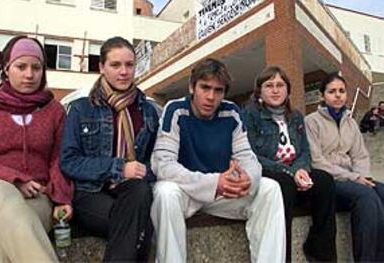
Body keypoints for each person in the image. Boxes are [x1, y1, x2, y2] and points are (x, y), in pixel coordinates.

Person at [151, 59, 286, 263]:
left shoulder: (231, 112)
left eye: (218, 90)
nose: (210, 97)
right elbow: (163, 164)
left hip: (222, 193)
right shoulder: (175, 110)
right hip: (188, 192)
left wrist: (247, 179)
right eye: (205, 88)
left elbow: (248, 158)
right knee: (164, 192)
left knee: (270, 188)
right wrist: (214, 182)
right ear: (192, 87)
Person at [0, 35, 73, 262]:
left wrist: (60, 198)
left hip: (36, 198)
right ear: (6, 68)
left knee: (2, 240)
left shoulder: (54, 111)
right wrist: (13, 178)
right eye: (21, 66)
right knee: (2, 193)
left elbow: (59, 159)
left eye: (36, 67)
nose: (29, 74)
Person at [60, 36, 159, 262]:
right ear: (102, 67)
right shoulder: (81, 109)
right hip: (90, 192)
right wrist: (119, 168)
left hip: (132, 193)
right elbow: (69, 161)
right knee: (140, 224)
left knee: (140, 191)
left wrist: (143, 171)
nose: (123, 72)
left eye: (129, 65)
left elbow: (156, 160)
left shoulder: (148, 111)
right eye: (115, 65)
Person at [242, 66, 337, 262]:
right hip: (269, 172)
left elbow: (304, 151)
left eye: (280, 85)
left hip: (294, 172)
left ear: (288, 90)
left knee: (325, 181)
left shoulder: (296, 117)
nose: (275, 90)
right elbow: (250, 154)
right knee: (283, 184)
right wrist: (289, 172)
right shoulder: (250, 114)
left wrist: (301, 169)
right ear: (259, 91)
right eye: (269, 85)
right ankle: (283, 256)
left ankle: (320, 249)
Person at [305, 73, 384, 262]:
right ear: (323, 95)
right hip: (328, 180)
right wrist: (355, 179)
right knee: (366, 197)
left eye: (341, 91)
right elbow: (316, 160)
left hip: (352, 177)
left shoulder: (351, 122)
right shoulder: (311, 121)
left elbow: (360, 154)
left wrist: (363, 177)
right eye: (332, 91)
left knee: (380, 190)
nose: (338, 95)